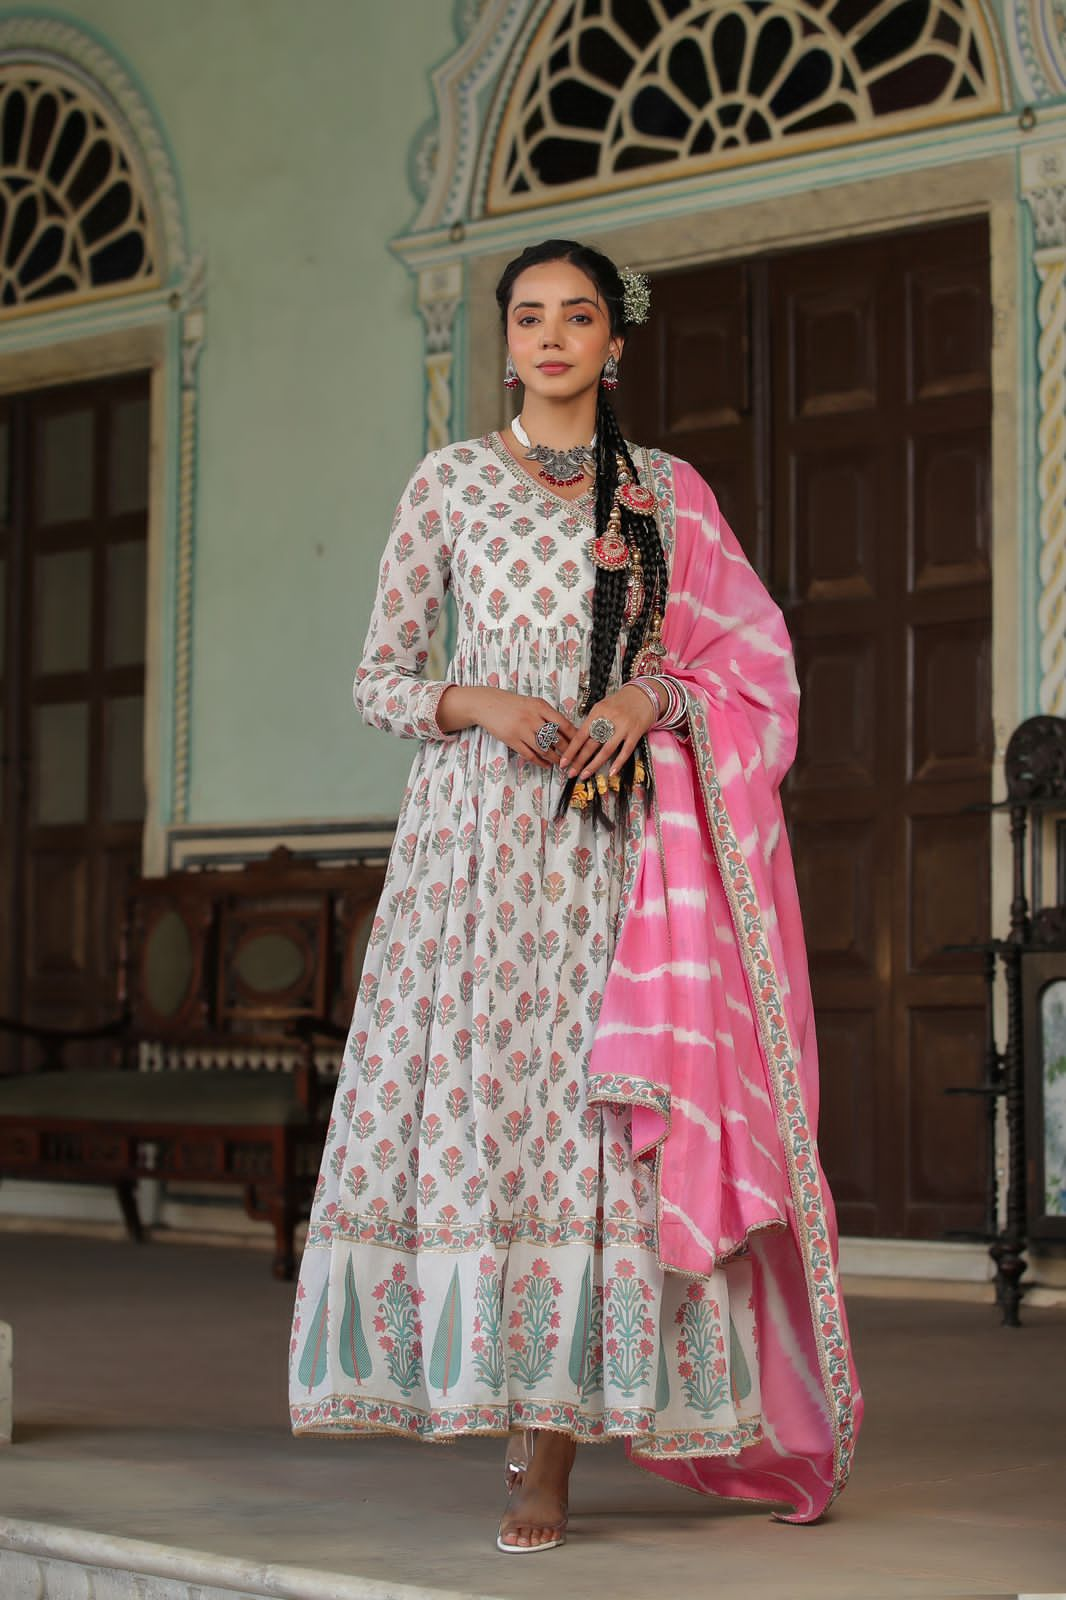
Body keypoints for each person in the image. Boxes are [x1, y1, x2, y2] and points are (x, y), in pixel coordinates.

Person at [288, 239, 863, 1552]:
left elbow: (741, 663)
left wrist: (639, 698)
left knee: (594, 1136)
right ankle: (505, 1431)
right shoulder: (446, 485)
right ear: (504, 342)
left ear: (616, 343)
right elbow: (379, 679)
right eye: (529, 317)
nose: (551, 337)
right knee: (492, 1125)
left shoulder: (663, 491)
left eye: (579, 317)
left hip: (621, 864)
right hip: (476, 858)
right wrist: (476, 698)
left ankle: (554, 1448)